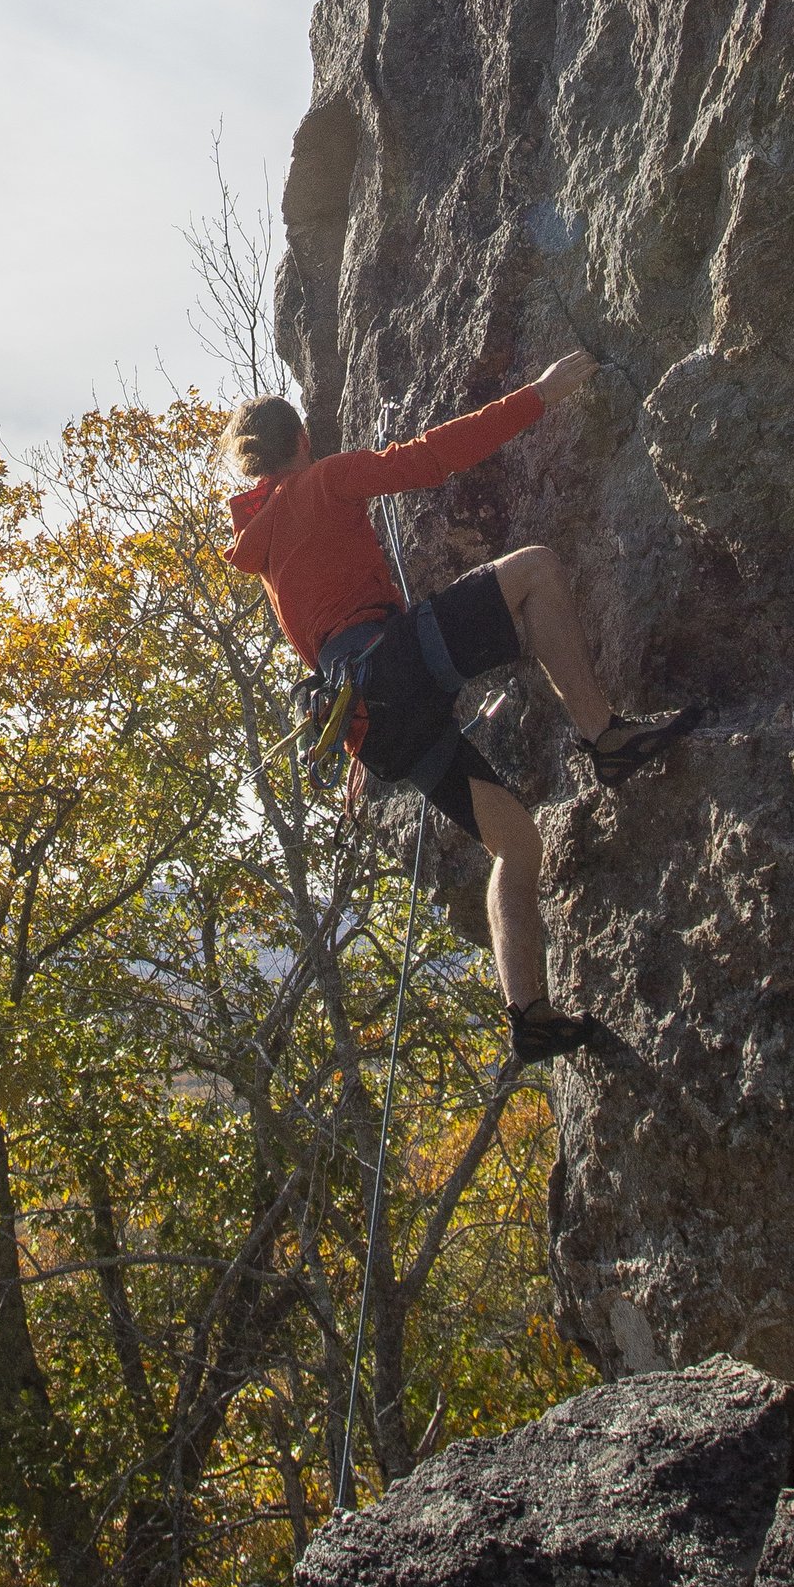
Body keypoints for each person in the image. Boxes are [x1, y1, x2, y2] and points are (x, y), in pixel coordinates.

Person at [223, 362, 670, 1071]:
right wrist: (538, 396)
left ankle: (530, 1014)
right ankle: (604, 736)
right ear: (303, 440)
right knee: (536, 570)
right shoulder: (324, 480)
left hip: (375, 725)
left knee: (516, 846)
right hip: (396, 667)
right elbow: (430, 459)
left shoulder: (265, 550)